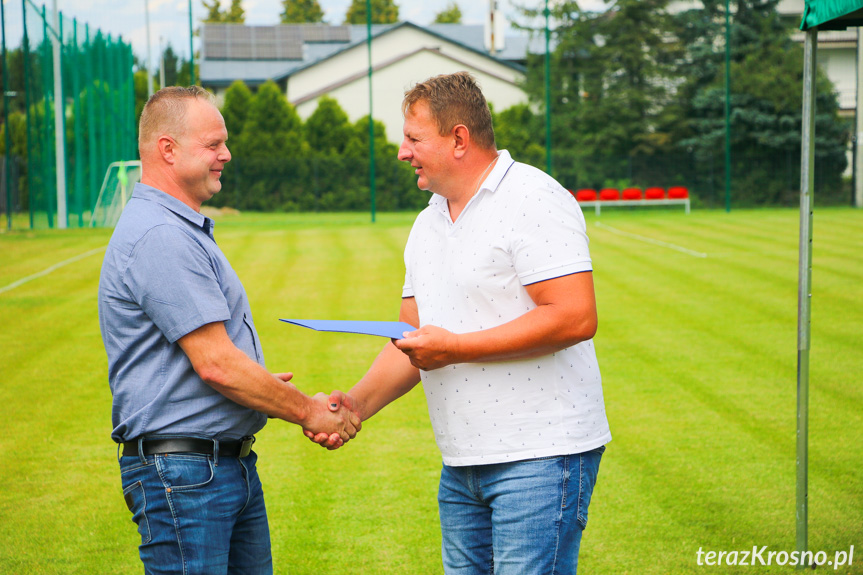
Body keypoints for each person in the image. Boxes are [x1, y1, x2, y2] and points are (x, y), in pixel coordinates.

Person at [309, 72, 611, 574]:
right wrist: (356, 404)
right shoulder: (428, 220)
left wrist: (456, 347)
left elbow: (575, 315)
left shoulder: (533, 197)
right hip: (462, 463)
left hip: (540, 457)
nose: (402, 152)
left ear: (458, 139)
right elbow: (412, 337)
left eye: (412, 138)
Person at [98, 85, 360, 574]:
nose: (227, 154)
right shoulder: (160, 235)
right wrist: (308, 411)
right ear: (167, 150)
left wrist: (257, 386)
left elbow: (220, 364)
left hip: (216, 468)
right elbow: (217, 364)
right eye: (213, 144)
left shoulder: (177, 227)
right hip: (187, 474)